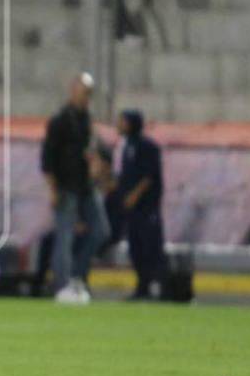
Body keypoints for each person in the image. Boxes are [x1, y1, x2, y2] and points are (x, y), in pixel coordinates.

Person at [41, 72, 105, 304]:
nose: (86, 97)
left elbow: (88, 150)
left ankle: (77, 275)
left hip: (85, 186)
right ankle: (62, 285)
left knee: (100, 230)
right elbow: (48, 158)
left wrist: (94, 164)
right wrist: (52, 189)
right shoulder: (60, 121)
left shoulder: (86, 119)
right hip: (66, 186)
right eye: (84, 92)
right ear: (74, 90)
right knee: (64, 237)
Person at [115, 109, 168, 300]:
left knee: (151, 247)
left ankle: (159, 287)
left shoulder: (147, 147)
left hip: (147, 208)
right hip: (133, 211)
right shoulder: (126, 147)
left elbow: (149, 176)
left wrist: (134, 195)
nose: (118, 125)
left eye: (122, 121)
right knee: (136, 247)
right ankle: (142, 286)